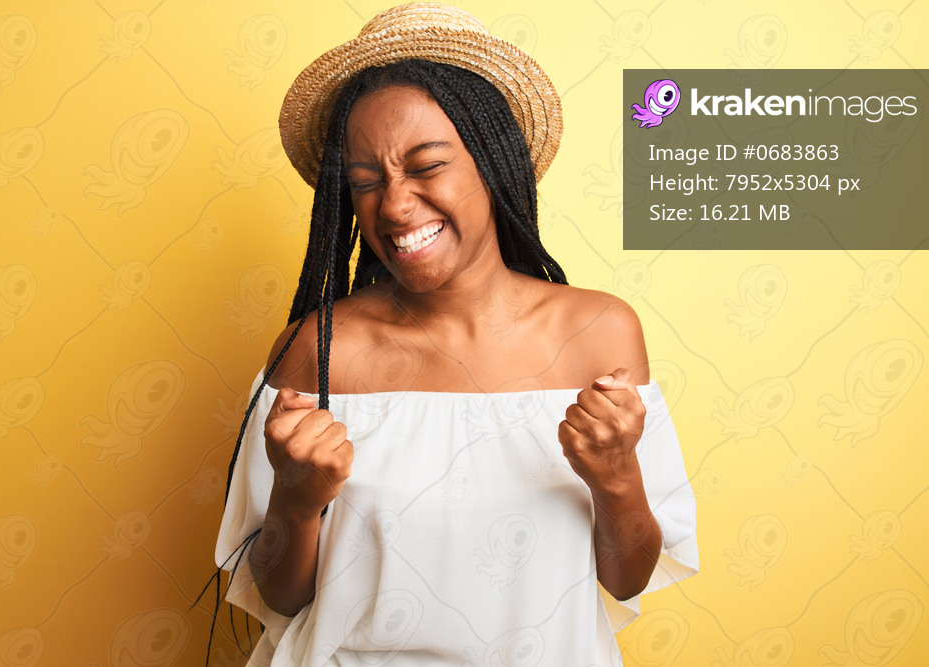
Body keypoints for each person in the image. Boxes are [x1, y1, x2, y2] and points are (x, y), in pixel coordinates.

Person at [201, 3, 698, 666]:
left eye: (427, 166)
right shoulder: (320, 353)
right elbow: (282, 594)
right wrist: (294, 501)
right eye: (366, 182)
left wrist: (615, 477)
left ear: (492, 164)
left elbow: (626, 576)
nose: (395, 206)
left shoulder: (600, 335)